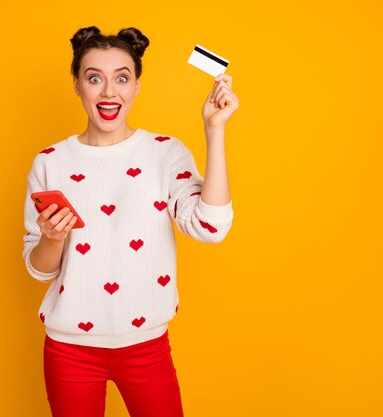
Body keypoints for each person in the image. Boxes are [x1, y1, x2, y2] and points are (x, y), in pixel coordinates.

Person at [22, 25, 239, 417]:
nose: (109, 92)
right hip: (69, 350)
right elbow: (38, 271)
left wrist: (215, 131)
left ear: (137, 85)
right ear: (77, 85)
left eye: (122, 78)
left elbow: (211, 227)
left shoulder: (164, 153)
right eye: (94, 78)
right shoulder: (49, 162)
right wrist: (52, 239)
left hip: (147, 348)